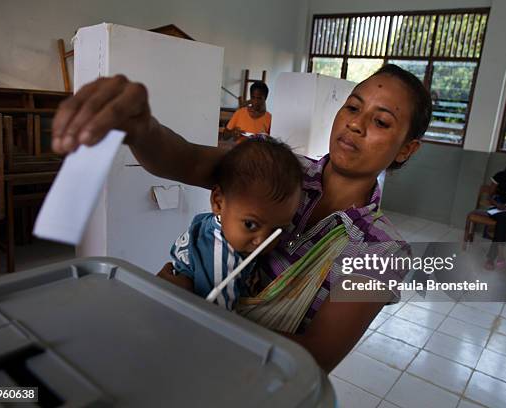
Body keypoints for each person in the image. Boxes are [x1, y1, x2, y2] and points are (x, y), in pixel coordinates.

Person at [51, 63, 432, 372]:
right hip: (174, 356)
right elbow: (187, 159)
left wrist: (189, 309)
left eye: (381, 122)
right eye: (352, 106)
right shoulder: (277, 166)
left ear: (406, 149)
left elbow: (315, 358)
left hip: (251, 383)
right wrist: (140, 127)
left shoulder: (382, 250)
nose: (355, 124)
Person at [159, 139, 302, 310]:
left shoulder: (218, 223)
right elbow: (216, 323)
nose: (263, 240)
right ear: (218, 202)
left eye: (277, 230)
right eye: (250, 224)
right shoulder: (222, 261)